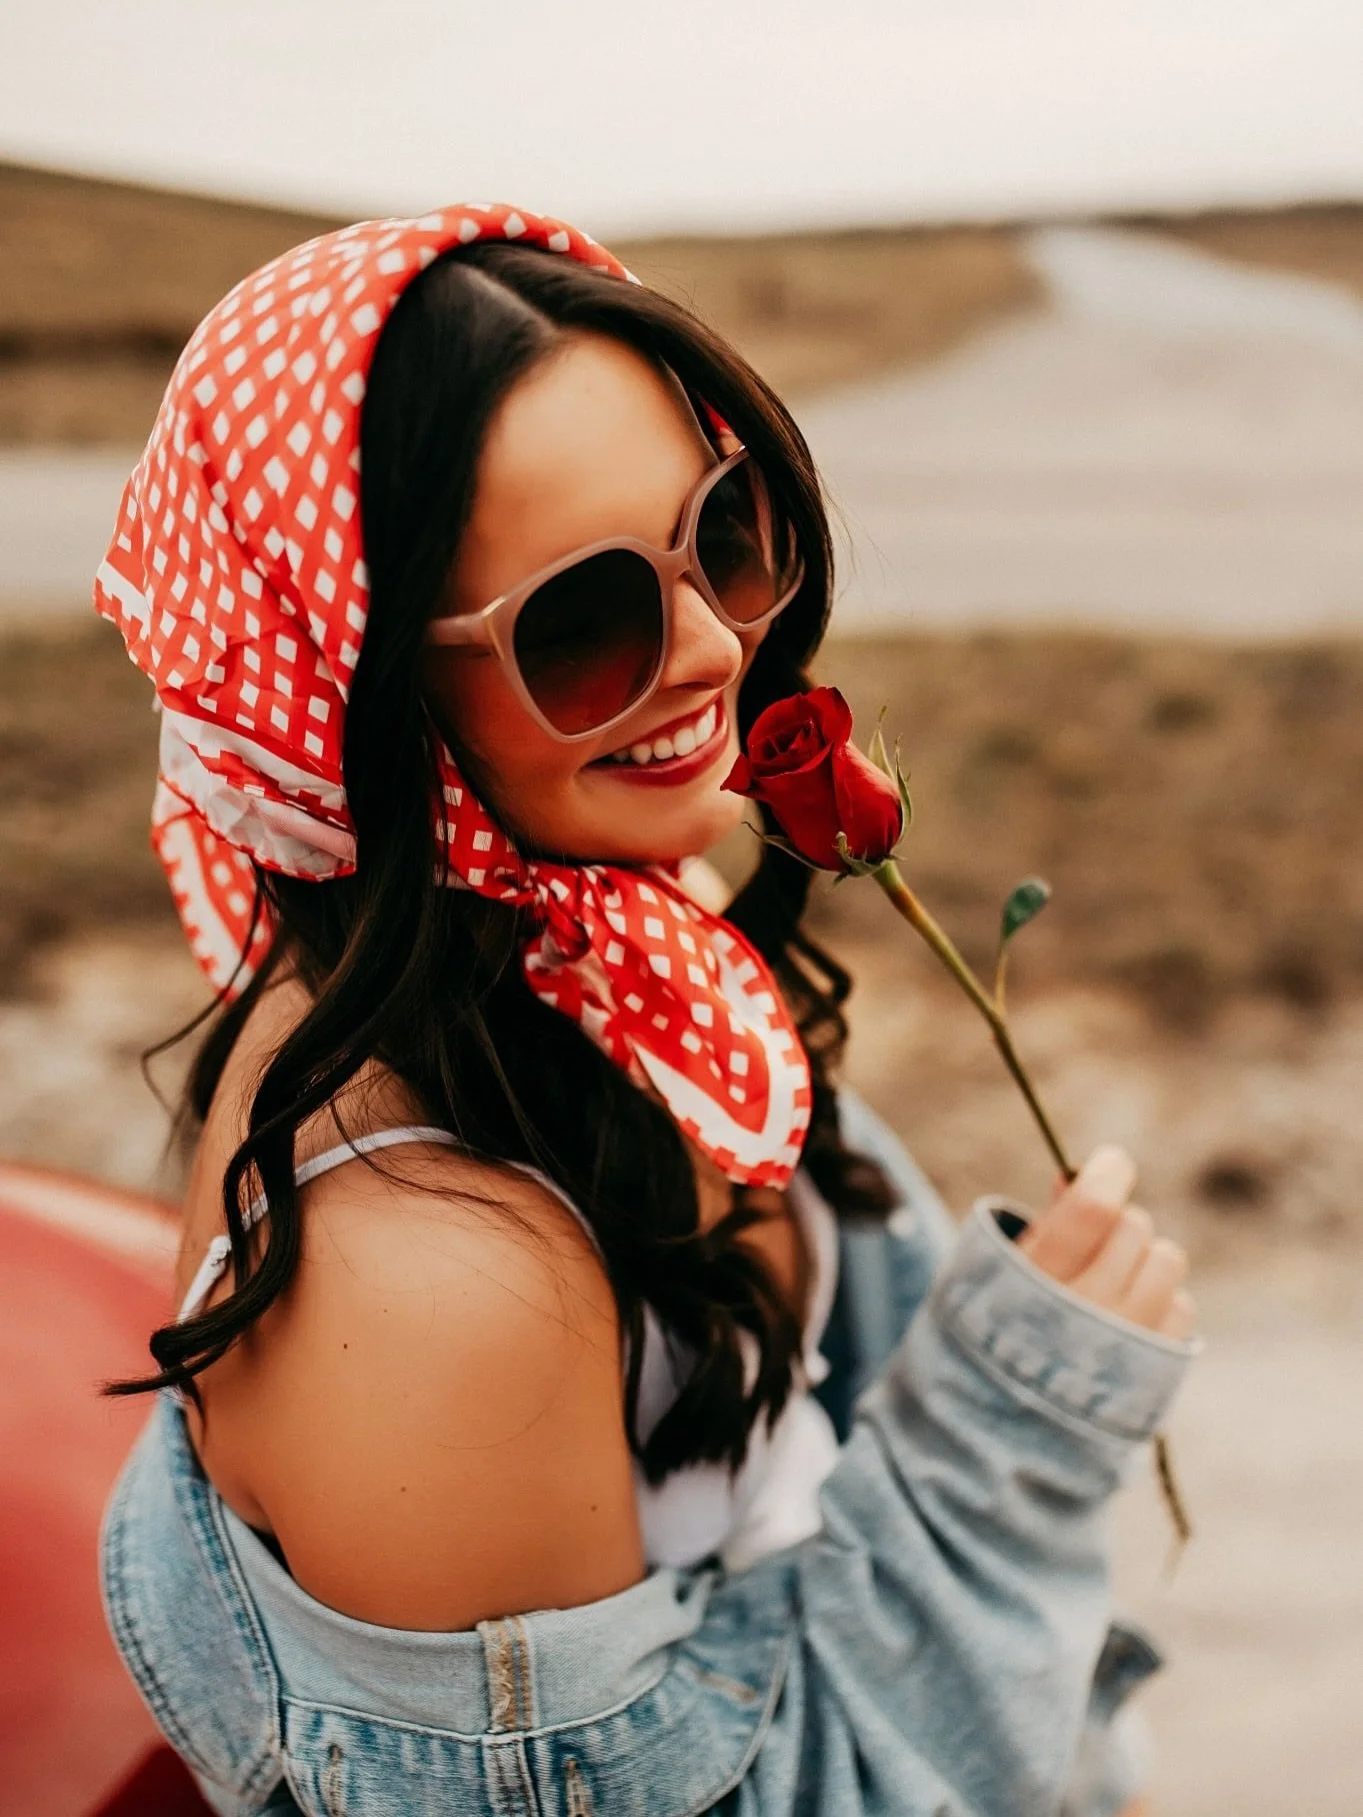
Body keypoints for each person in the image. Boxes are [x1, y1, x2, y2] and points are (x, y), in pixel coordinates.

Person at [96, 203, 1196, 1817]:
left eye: (724, 527)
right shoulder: (429, 1279)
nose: (708, 649)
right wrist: (1009, 1429)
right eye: (581, 622)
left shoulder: (590, 928)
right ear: (356, 692)